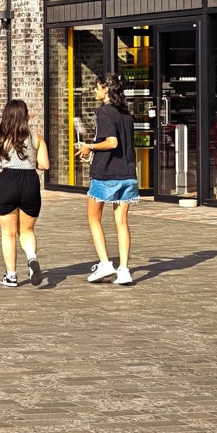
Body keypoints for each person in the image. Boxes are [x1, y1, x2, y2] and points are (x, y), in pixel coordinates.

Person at [0, 99, 49, 287]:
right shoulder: (36, 138)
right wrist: (29, 162)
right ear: (25, 116)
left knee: (8, 233)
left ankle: (11, 276)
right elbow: (45, 165)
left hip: (7, 182)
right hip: (30, 183)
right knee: (27, 230)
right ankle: (31, 258)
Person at [76, 73, 140, 286]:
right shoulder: (126, 114)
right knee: (122, 222)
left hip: (106, 175)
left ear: (105, 90)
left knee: (93, 218)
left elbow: (112, 142)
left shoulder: (104, 112)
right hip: (127, 174)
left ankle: (104, 263)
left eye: (97, 87)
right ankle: (124, 270)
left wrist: (89, 146)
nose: (94, 91)